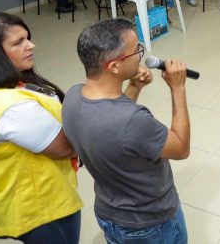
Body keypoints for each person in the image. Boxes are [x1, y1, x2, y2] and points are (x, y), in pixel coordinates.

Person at [62, 19, 190, 243]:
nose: (142, 55)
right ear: (113, 66)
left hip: (109, 213)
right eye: (136, 51)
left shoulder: (72, 97)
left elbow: (112, 130)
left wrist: (134, 86)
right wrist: (177, 88)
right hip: (150, 224)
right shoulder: (133, 121)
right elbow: (180, 148)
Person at [0, 13, 82, 243]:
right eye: (18, 42)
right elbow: (67, 148)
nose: (31, 45)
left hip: (9, 189)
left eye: (27, 38)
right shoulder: (11, 108)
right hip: (38, 206)